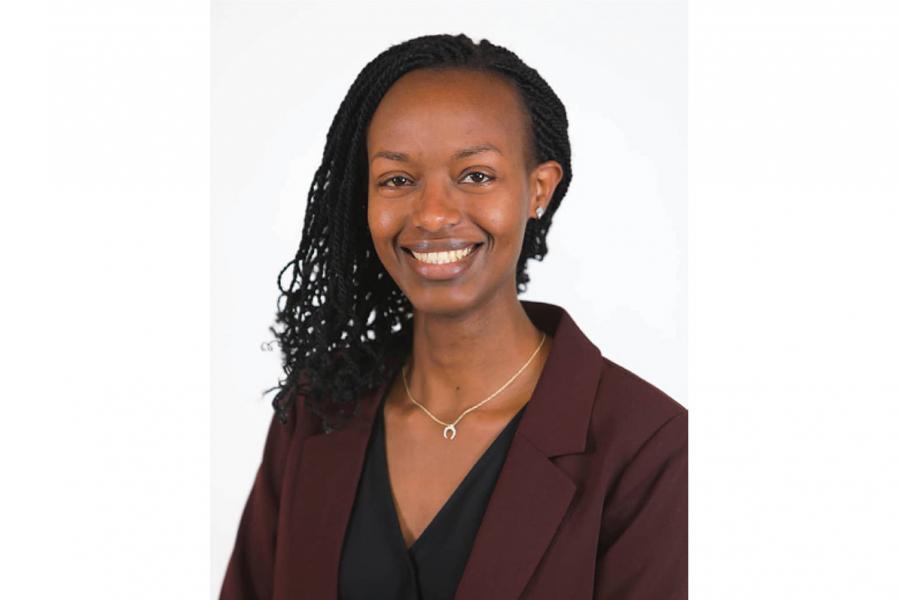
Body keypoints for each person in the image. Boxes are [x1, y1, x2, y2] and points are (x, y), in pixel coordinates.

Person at [220, 33, 687, 600]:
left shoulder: (649, 447)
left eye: (476, 175)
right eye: (397, 180)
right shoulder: (317, 409)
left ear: (539, 189)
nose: (433, 214)